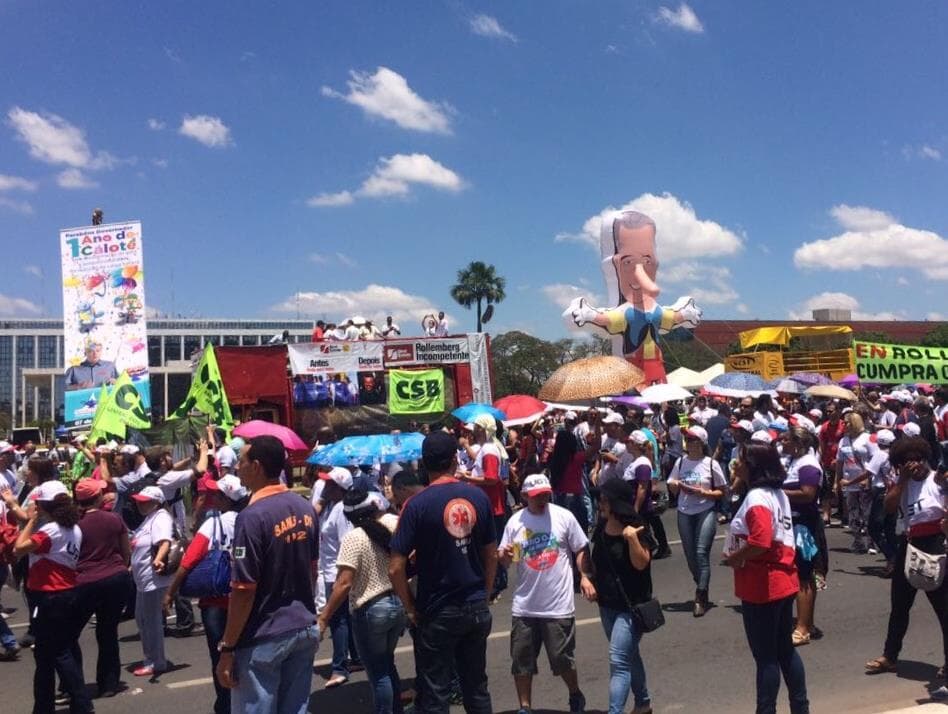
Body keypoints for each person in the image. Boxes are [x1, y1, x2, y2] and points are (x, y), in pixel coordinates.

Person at [389, 431, 498, 714]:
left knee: (435, 695)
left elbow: (395, 567)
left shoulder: (416, 505)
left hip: (437, 609)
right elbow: (491, 554)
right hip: (474, 604)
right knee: (476, 688)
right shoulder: (478, 497)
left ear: (424, 464)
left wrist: (410, 608)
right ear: (454, 460)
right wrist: (484, 594)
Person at [214, 436, 319, 713]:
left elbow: (243, 588)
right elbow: (312, 570)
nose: (237, 467)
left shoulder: (251, 517)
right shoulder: (304, 507)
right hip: (303, 626)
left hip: (264, 635)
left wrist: (228, 646)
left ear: (257, 466)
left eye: (242, 461)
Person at [724, 443, 809, 714]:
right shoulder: (777, 494)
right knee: (784, 651)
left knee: (766, 658)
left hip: (763, 583)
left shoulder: (757, 497)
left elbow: (760, 540)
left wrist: (736, 558)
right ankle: (800, 707)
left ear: (753, 466)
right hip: (782, 579)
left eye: (741, 461)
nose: (737, 466)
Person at [498, 474, 594, 714]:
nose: (542, 499)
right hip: (525, 605)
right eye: (536, 496)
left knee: (562, 660)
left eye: (545, 494)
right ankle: (525, 707)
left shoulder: (563, 517)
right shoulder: (515, 522)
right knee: (521, 662)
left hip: (558, 604)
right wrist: (505, 556)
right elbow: (505, 559)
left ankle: (575, 694)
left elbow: (580, 547)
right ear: (524, 497)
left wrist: (584, 576)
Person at [163, 474, 247, 714]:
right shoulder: (248, 519)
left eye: (216, 494)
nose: (211, 498)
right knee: (244, 652)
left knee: (219, 656)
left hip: (215, 601)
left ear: (225, 498)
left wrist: (171, 592)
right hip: (243, 598)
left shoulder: (213, 524)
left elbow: (189, 561)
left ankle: (225, 704)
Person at [865, 437, 947, 682]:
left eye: (919, 459)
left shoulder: (938, 480)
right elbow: (889, 508)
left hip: (936, 544)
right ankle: (890, 656)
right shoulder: (902, 485)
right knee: (899, 606)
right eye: (907, 462)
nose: (915, 466)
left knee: (943, 608)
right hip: (910, 545)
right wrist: (901, 480)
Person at [319, 487, 405, 714]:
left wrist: (324, 617)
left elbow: (344, 583)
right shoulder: (395, 524)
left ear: (348, 517)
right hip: (398, 603)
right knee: (387, 663)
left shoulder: (353, 539)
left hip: (370, 609)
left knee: (378, 672)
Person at [12, 480, 94, 714]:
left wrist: (31, 520)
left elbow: (19, 548)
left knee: (58, 653)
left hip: (48, 597)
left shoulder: (50, 530)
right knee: (49, 654)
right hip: (66, 594)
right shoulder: (73, 528)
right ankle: (45, 706)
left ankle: (81, 703)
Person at [590, 479, 656, 714]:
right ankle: (643, 703)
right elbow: (594, 561)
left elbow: (641, 564)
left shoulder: (637, 527)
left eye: (605, 500)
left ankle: (615, 711)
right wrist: (586, 578)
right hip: (607, 604)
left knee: (618, 661)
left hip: (631, 606)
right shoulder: (601, 527)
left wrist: (632, 540)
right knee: (629, 654)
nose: (600, 503)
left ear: (616, 503)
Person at [74, 477, 132, 698]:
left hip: (85, 581)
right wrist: (122, 567)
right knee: (108, 632)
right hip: (115, 578)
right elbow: (126, 551)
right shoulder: (114, 519)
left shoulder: (76, 525)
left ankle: (73, 682)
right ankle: (109, 682)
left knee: (71, 634)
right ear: (97, 496)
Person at [667, 425, 727, 616]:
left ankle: (700, 595)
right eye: (687, 439)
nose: (689, 443)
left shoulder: (711, 464)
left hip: (705, 510)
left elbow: (722, 492)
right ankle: (702, 581)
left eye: (692, 439)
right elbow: (672, 485)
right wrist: (675, 485)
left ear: (701, 443)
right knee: (690, 555)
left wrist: (704, 493)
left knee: (701, 553)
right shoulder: (681, 462)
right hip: (684, 511)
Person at [780, 425, 826, 647]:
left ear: (797, 444)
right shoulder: (793, 462)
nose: (782, 442)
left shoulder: (808, 464)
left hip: (804, 527)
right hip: (793, 524)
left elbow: (808, 494)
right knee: (799, 574)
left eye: (786, 439)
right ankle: (806, 621)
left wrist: (779, 493)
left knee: (804, 577)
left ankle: (803, 628)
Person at [317, 466, 358, 688]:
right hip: (330, 569)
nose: (325, 486)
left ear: (338, 487)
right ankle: (357, 657)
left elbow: (346, 543)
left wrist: (343, 577)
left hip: (336, 571)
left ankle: (339, 667)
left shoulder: (342, 509)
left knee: (338, 619)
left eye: (330, 484)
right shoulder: (335, 507)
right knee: (344, 618)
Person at [461, 414, 509, 602]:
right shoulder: (486, 448)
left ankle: (495, 585)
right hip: (487, 504)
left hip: (490, 506)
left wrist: (467, 478)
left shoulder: (489, 449)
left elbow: (491, 478)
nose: (474, 430)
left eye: (478, 427)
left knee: (490, 547)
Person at [128, 485, 174, 677]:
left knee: (151, 621)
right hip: (143, 579)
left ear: (155, 502)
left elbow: (164, 541)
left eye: (144, 501)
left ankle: (156, 661)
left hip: (153, 579)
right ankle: (152, 657)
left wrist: (158, 558)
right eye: (139, 500)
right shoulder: (149, 518)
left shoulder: (161, 517)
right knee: (142, 619)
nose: (140, 504)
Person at [837, 412, 877, 553]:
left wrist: (867, 478)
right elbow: (840, 463)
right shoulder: (843, 441)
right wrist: (837, 482)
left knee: (867, 512)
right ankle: (858, 541)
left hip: (865, 480)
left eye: (847, 422)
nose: (844, 425)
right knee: (853, 513)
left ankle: (871, 542)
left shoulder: (868, 438)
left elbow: (875, 459)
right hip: (849, 481)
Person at [865, 429, 899, 575]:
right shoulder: (894, 454)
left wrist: (848, 482)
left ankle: (892, 557)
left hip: (882, 493)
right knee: (889, 528)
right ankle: (896, 559)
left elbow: (868, 472)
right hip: (892, 491)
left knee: (874, 528)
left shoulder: (880, 454)